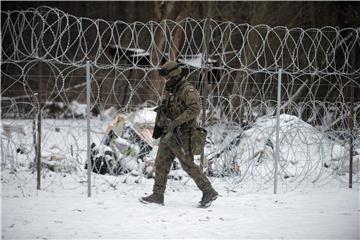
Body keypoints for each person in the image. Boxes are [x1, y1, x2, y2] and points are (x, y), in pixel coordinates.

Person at [139, 61, 218, 207]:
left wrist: (175, 122)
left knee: (188, 164)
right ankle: (158, 195)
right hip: (168, 133)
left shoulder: (187, 90)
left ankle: (208, 191)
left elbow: (194, 109)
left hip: (182, 134)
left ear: (174, 75)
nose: (165, 80)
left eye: (167, 77)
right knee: (161, 163)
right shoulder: (172, 89)